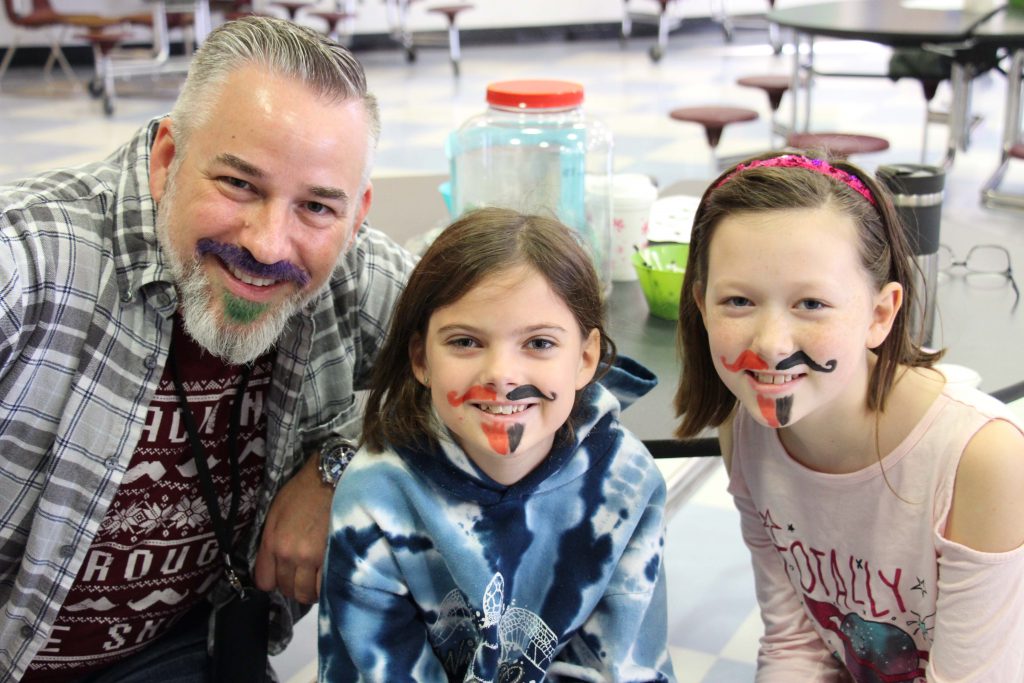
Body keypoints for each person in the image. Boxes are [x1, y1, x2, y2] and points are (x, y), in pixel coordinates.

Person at [0, 15, 415, 682]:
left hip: (180, 652)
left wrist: (342, 460)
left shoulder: (350, 271)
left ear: (357, 214)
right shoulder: (34, 262)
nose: (268, 245)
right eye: (239, 184)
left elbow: (532, 372)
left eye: (316, 207)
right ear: (168, 159)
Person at [673, 151, 1024, 681]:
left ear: (880, 314)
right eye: (739, 301)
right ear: (702, 306)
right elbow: (796, 642)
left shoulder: (984, 459)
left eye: (811, 304)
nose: (771, 345)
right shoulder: (744, 430)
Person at [318, 207, 676, 683]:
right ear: (422, 359)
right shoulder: (376, 497)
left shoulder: (627, 482)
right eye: (466, 342)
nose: (501, 376)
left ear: (585, 358)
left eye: (539, 343)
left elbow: (625, 667)